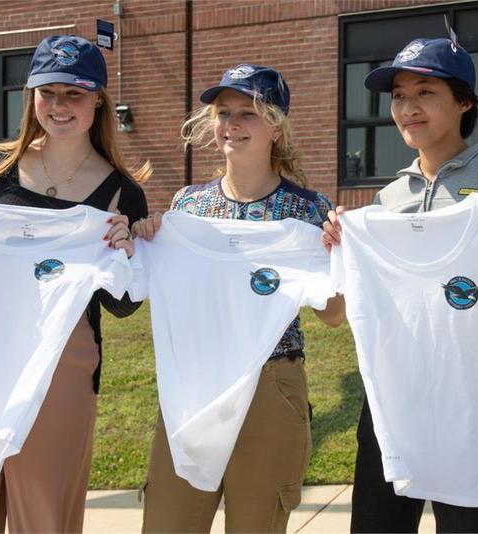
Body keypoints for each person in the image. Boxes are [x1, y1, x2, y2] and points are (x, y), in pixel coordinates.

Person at [321, 37, 478, 533]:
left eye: (425, 92)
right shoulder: (386, 201)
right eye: (398, 95)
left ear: (465, 101)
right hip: (391, 406)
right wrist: (338, 251)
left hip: (473, 406)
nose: (407, 108)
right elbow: (337, 315)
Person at [0, 34, 150, 532]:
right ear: (31, 97)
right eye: (48, 93)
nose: (59, 106)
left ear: (98, 100)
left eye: (74, 94)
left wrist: (125, 255)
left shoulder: (122, 193)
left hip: (61, 361)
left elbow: (122, 305)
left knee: (44, 517)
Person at [131, 64, 345, 532]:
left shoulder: (310, 211)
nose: (231, 124)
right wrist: (146, 237)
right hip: (196, 382)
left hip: (272, 385)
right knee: (169, 522)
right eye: (223, 112)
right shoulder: (188, 207)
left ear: (275, 125)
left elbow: (333, 314)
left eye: (246, 113)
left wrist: (338, 255)